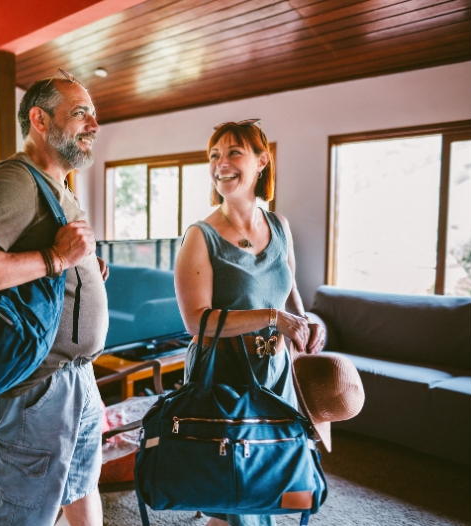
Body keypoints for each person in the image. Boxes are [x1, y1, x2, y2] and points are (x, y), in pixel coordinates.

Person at [0, 70, 109, 526]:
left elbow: (43, 260)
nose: (93, 125)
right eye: (79, 114)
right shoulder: (15, 179)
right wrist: (56, 258)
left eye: (93, 115)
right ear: (39, 119)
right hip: (39, 389)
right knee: (20, 515)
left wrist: (84, 271)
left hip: (77, 378)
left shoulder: (58, 185)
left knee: (82, 488)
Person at [173, 119, 326, 526]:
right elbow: (196, 322)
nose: (221, 163)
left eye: (233, 152)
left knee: (265, 485)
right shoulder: (199, 237)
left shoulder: (280, 227)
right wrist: (273, 318)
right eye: (214, 155)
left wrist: (308, 322)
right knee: (233, 491)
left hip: (275, 374)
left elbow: (290, 290)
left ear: (262, 161)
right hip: (223, 375)